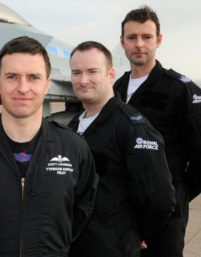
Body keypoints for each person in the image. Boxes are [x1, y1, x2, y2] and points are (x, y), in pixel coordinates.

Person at [0, 36, 98, 256]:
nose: (22, 88)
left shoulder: (74, 149)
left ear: (46, 84)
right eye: (12, 77)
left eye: (33, 77)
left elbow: (80, 215)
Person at [67, 41, 175, 257]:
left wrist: (134, 233)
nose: (83, 80)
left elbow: (160, 201)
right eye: (76, 72)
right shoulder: (73, 126)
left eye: (92, 72)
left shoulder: (133, 129)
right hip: (74, 246)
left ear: (110, 74)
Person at [113, 6, 201, 257]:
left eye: (146, 37)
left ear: (158, 40)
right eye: (132, 38)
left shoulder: (180, 89)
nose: (139, 44)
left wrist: (175, 194)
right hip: (123, 211)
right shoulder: (116, 89)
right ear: (122, 42)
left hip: (165, 217)